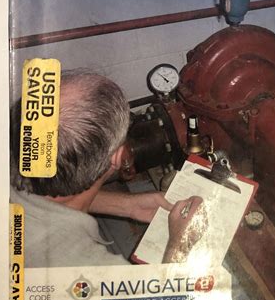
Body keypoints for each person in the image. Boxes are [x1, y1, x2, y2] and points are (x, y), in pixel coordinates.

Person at [10, 70, 204, 268]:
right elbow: (165, 289)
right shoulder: (81, 268)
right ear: (119, 158)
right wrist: (182, 243)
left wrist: (127, 206)